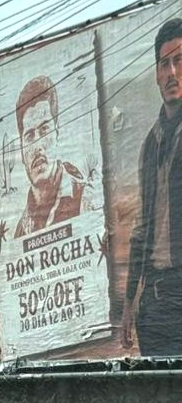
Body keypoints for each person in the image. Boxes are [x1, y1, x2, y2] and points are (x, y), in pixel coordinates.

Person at [124, 18, 182, 356]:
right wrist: (130, 302)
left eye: (180, 60)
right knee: (159, 398)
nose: (173, 73)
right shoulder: (151, 142)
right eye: (165, 63)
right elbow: (142, 228)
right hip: (157, 302)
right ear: (157, 74)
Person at [12, 75, 96, 238]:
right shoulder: (21, 229)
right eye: (29, 136)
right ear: (21, 151)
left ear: (58, 133)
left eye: (44, 130)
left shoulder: (84, 198)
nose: (37, 146)